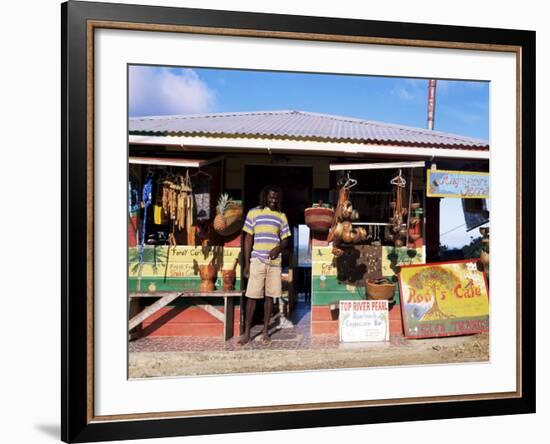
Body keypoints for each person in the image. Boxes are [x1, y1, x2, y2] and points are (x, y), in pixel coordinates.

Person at [238, 185, 291, 345]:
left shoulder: (281, 216)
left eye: (276, 197)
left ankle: (266, 332)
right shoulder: (253, 213)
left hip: (274, 263)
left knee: (270, 298)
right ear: (264, 197)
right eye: (271, 197)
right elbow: (248, 239)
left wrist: (278, 248)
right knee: (252, 297)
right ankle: (247, 333)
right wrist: (247, 264)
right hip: (257, 260)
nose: (273, 200)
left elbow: (286, 239)